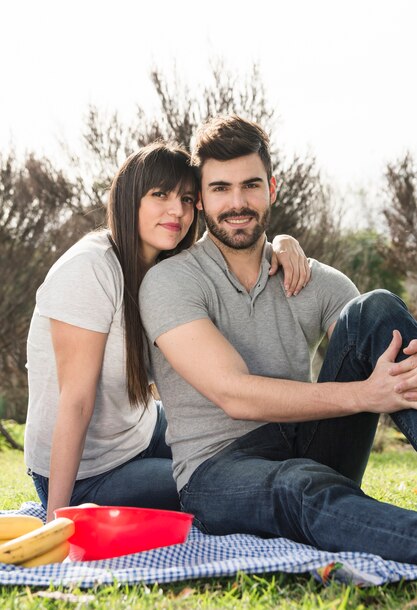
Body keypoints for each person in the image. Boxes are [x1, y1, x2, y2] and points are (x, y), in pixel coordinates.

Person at [139, 115, 417, 565]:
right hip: (217, 469)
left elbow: (370, 343)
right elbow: (234, 395)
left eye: (250, 185)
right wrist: (367, 394)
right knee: (300, 485)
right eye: (220, 188)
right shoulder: (171, 281)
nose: (237, 202)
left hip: (307, 443)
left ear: (272, 188)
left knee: (378, 308)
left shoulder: (311, 278)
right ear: (202, 199)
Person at [24, 140, 310, 522]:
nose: (178, 210)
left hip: (144, 429)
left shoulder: (165, 271)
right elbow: (75, 402)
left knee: (247, 449)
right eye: (160, 195)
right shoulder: (89, 269)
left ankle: (315, 482)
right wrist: (57, 518)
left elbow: (235, 247)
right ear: (129, 198)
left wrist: (281, 245)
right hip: (87, 473)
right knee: (211, 485)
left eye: (188, 199)